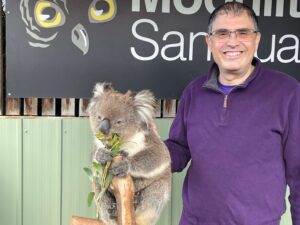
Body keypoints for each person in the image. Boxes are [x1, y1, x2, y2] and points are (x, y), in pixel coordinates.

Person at [164, 2, 300, 225]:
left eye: (243, 33)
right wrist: (147, 150)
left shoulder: (287, 92)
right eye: (222, 33)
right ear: (209, 41)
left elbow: (298, 172)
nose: (232, 41)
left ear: (257, 39)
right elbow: (179, 150)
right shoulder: (194, 91)